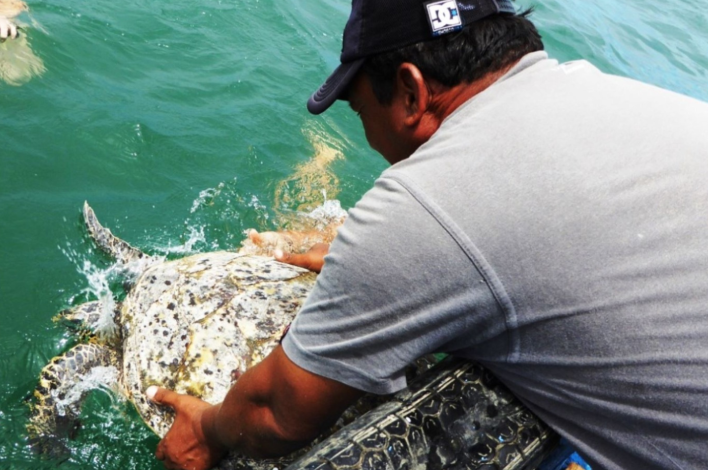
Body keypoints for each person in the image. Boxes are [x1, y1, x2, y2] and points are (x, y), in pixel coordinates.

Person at [148, 0, 708, 469]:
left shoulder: (423, 204)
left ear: (412, 92)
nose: (366, 132)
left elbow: (274, 414)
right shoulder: (606, 91)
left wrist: (208, 428)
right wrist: (380, 275)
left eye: (360, 109)